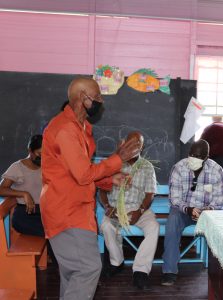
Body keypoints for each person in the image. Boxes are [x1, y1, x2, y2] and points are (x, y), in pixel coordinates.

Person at [40, 77, 141, 300]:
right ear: (83, 98)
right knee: (88, 268)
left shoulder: (82, 128)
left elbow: (80, 173)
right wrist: (118, 158)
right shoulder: (65, 129)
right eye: (96, 97)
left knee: (72, 274)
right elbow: (84, 174)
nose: (101, 101)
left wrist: (109, 180)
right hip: (67, 212)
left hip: (77, 210)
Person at [161, 139, 223, 286]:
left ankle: (220, 271)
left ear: (206, 158)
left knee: (222, 223)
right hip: (184, 211)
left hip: (208, 214)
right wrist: (188, 209)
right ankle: (169, 271)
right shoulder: (178, 168)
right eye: (191, 154)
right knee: (172, 221)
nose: (193, 159)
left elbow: (220, 201)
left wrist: (208, 210)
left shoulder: (216, 170)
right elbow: (174, 199)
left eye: (198, 157)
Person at [99, 131, 159, 290]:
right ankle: (116, 263)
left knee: (154, 227)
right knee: (106, 226)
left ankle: (140, 271)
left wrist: (140, 210)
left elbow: (150, 193)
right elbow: (101, 190)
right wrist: (107, 207)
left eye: (138, 144)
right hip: (115, 210)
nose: (134, 147)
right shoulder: (113, 164)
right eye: (131, 143)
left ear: (142, 146)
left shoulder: (147, 166)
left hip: (139, 210)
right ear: (124, 144)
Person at [0, 134, 44, 236]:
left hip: (43, 212)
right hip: (25, 215)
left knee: (63, 229)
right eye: (40, 153)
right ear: (30, 150)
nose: (43, 157)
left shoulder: (45, 165)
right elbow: (1, 189)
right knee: (54, 233)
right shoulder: (18, 167)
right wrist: (24, 194)